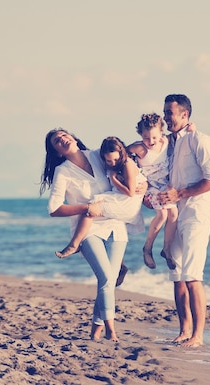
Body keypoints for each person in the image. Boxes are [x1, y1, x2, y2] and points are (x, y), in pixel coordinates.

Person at [40, 128, 145, 342]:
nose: (62, 139)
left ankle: (95, 331)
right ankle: (111, 331)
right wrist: (86, 208)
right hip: (88, 229)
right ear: (57, 152)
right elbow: (54, 209)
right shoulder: (63, 171)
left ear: (74, 138)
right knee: (106, 278)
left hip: (115, 223)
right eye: (57, 142)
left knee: (109, 280)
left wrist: (142, 183)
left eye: (64, 135)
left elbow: (126, 160)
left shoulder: (97, 155)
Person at [157, 94, 210, 348]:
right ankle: (184, 330)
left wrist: (180, 193)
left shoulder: (200, 140)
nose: (165, 117)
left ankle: (198, 336)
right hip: (174, 214)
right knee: (177, 276)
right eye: (164, 112)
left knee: (193, 275)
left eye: (169, 113)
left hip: (196, 215)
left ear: (185, 115)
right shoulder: (169, 144)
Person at [55, 136, 147, 260]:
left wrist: (114, 180)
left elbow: (130, 192)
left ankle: (74, 244)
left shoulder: (127, 164)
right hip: (120, 198)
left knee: (91, 208)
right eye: (108, 161)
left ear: (121, 153)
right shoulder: (111, 163)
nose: (113, 163)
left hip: (127, 202)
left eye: (115, 159)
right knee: (92, 205)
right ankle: (76, 245)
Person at [128, 113, 181, 271]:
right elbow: (120, 154)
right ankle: (147, 249)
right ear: (140, 135)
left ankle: (166, 249)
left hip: (165, 184)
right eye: (146, 138)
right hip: (149, 186)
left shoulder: (167, 141)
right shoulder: (139, 147)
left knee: (174, 214)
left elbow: (181, 133)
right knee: (163, 215)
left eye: (154, 138)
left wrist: (192, 127)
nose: (150, 142)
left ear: (161, 133)